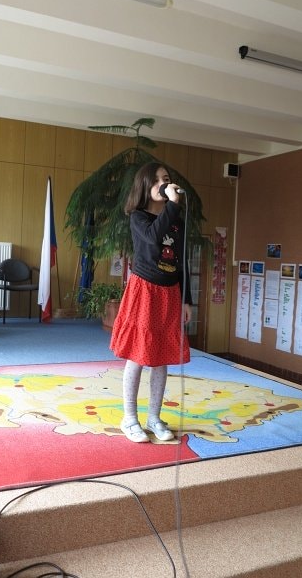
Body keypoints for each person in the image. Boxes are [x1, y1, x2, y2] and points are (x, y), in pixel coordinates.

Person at [110, 162, 192, 443]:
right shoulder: (139, 217)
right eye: (156, 180)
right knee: (138, 355)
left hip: (170, 292)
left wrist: (187, 300)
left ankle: (154, 417)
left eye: (166, 179)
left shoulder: (176, 220)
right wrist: (173, 206)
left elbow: (181, 261)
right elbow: (154, 239)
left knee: (161, 357)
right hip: (145, 290)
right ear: (145, 186)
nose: (162, 183)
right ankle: (129, 418)